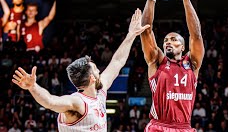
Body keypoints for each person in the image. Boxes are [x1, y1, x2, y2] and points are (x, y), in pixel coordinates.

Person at [12, 10, 150, 131]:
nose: (99, 72)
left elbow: (117, 61)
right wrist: (33, 87)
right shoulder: (77, 103)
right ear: (92, 78)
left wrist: (131, 35)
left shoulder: (100, 91)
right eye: (96, 69)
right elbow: (50, 101)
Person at [140, 0, 205, 131]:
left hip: (184, 127)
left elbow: (196, 35)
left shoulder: (193, 63)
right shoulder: (157, 61)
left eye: (174, 39)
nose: (168, 42)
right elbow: (146, 30)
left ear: (183, 47)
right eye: (166, 40)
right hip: (159, 126)